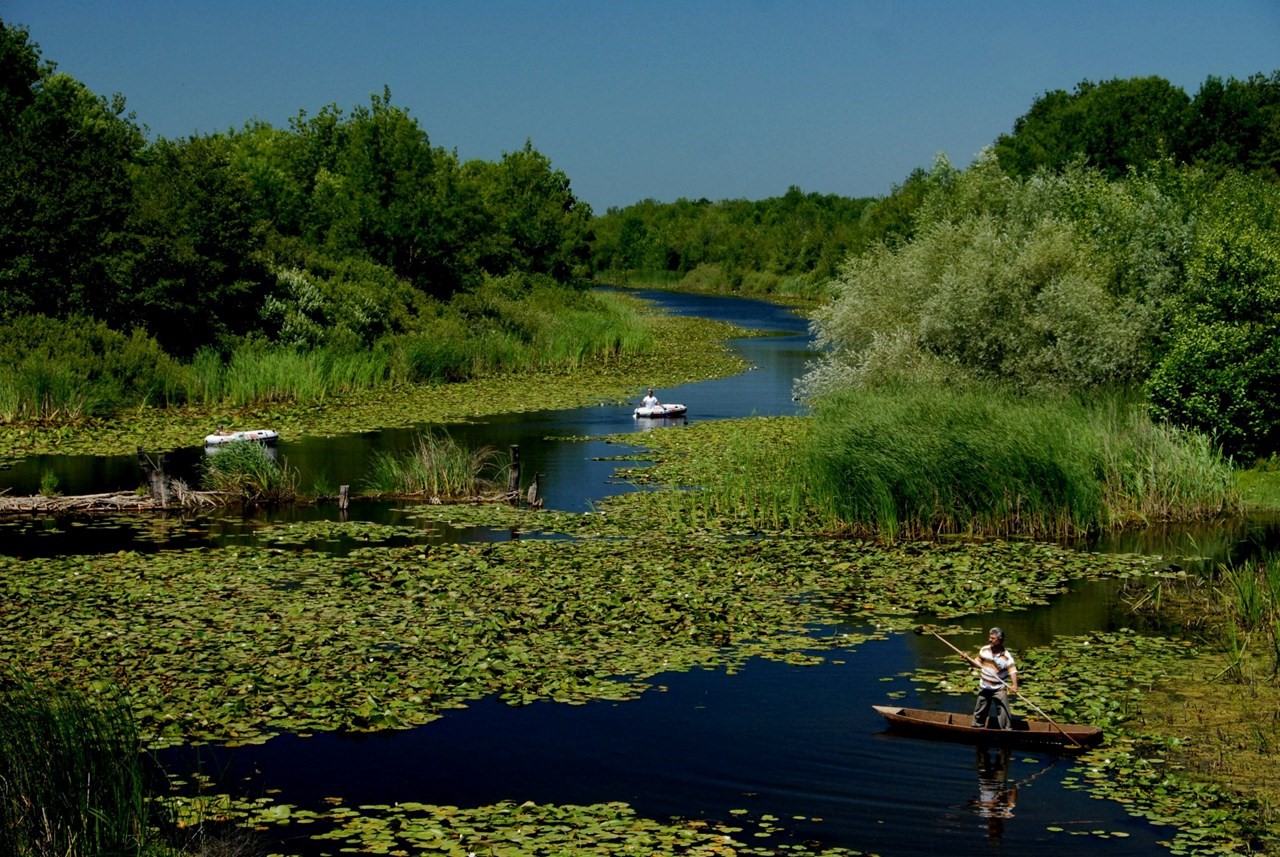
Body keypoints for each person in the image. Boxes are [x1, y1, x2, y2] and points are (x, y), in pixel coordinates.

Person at [971, 627, 1018, 729]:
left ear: (1000, 640)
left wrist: (1014, 685)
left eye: (993, 638)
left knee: (1004, 710)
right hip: (984, 686)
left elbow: (1013, 671)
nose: (990, 640)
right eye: (990, 637)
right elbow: (976, 664)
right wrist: (967, 659)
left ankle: (1006, 730)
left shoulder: (1006, 656)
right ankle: (977, 727)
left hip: (999, 687)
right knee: (980, 709)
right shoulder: (984, 650)